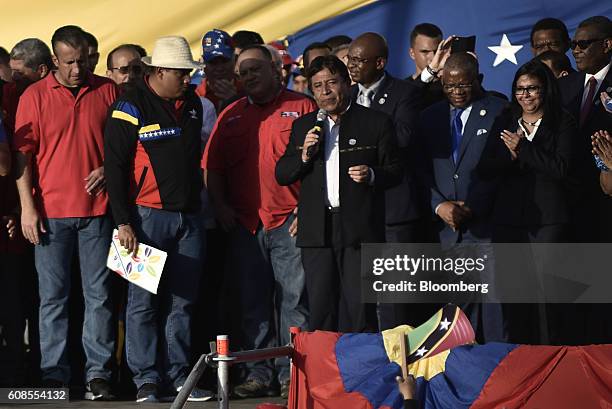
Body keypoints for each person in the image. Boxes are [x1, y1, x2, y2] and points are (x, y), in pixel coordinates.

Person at [103, 35, 212, 403]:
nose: (187, 79)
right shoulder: (129, 105)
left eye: (188, 73)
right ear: (159, 71)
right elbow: (115, 169)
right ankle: (146, 380)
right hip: (145, 218)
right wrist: (123, 222)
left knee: (183, 302)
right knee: (142, 302)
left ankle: (180, 377)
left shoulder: (193, 102)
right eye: (181, 73)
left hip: (189, 218)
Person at [203, 44, 314, 399]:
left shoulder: (302, 106)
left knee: (294, 302)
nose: (249, 77)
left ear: (275, 69)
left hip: (290, 222)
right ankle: (257, 374)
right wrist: (220, 205)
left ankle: (293, 375)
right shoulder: (231, 114)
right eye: (243, 72)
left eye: (255, 69)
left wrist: (306, 209)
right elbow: (213, 167)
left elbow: (322, 165)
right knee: (251, 304)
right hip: (246, 226)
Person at [12, 25, 117, 398]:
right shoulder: (34, 96)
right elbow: (22, 157)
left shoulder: (107, 89)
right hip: (51, 213)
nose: (78, 69)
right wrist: (28, 209)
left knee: (99, 296)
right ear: (54, 60)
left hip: (99, 213)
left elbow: (124, 146)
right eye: (70, 62)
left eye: (84, 60)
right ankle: (54, 375)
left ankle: (98, 374)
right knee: (53, 298)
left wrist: (108, 167)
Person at [275, 55, 402, 333]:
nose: (325, 91)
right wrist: (304, 156)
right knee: (321, 308)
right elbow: (283, 174)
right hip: (317, 230)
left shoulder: (376, 122)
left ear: (347, 83)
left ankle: (361, 372)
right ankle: (325, 374)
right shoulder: (303, 126)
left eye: (332, 82)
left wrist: (372, 175)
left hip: (358, 228)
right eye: (317, 85)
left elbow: (396, 171)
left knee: (360, 309)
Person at [478, 59, 576, 344]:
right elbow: (485, 168)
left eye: (533, 88)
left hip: (548, 222)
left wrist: (524, 148)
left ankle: (551, 360)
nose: (526, 95)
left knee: (547, 301)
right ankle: (519, 359)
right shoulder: (505, 120)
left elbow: (560, 168)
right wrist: (509, 158)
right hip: (509, 222)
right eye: (520, 89)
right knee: (515, 298)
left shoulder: (562, 121)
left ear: (545, 90)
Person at [419, 52, 507, 342]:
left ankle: (498, 378)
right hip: (447, 233)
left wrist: (472, 206)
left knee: (496, 316)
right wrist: (438, 205)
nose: (456, 92)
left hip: (487, 231)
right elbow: (418, 171)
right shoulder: (429, 116)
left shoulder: (500, 110)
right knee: (457, 319)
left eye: (463, 85)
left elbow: (503, 167)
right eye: (449, 86)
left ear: (478, 79)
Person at [347, 32, 427, 329]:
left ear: (380, 62)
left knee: (394, 297)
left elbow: (403, 138)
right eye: (350, 59)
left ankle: (400, 367)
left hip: (393, 210)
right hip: (357, 211)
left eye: (359, 60)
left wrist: (361, 139)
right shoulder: (348, 95)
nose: (352, 66)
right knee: (361, 294)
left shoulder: (405, 93)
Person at [558, 16, 612, 243]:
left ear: (607, 44)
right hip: (568, 198)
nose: (575, 51)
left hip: (605, 196)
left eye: (583, 44)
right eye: (572, 45)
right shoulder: (563, 86)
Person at [2, 38, 53, 134]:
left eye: (19, 72)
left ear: (42, 70)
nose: (13, 77)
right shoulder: (7, 94)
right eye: (11, 70)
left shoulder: (61, 96)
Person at [195, 29, 241, 113]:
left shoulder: (248, 87)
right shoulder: (194, 95)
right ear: (202, 64)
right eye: (213, 62)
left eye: (224, 61)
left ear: (235, 59)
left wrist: (235, 102)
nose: (220, 68)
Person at [406, 24, 447, 109]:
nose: (433, 58)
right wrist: (431, 70)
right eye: (425, 52)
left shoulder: (450, 87)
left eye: (437, 51)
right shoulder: (402, 88)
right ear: (412, 53)